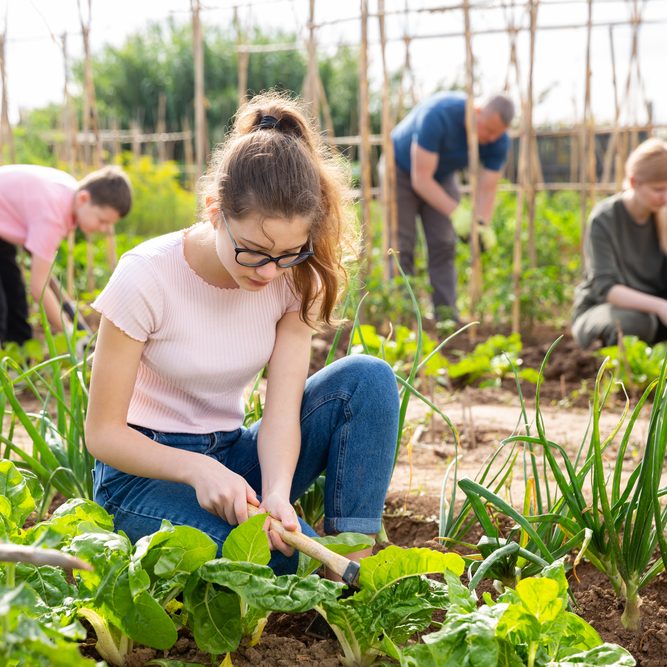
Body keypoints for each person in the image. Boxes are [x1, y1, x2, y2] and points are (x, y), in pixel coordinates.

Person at [84, 93, 400, 576]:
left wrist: (275, 489)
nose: (270, 273)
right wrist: (197, 469)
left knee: (368, 379)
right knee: (281, 560)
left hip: (235, 458)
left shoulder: (296, 278)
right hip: (142, 477)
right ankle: (332, 580)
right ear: (215, 210)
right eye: (254, 251)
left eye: (289, 253)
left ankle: (355, 560)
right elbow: (102, 434)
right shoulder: (146, 276)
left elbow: (281, 412)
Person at [388, 91, 514, 321]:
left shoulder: (498, 140)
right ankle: (401, 316)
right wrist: (456, 212)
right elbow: (421, 179)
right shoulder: (439, 116)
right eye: (489, 130)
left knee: (444, 243)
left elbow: (488, 187)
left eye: (499, 134)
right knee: (401, 245)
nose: (492, 138)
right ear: (477, 113)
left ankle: (446, 317)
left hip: (442, 174)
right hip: (400, 169)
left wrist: (481, 223)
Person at [0, 164, 132, 345]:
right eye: (102, 221)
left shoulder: (70, 192)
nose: (102, 229)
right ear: (84, 198)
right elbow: (39, 287)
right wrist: (70, 333)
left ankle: (17, 360)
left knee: (15, 300)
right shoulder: (53, 215)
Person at [572, 138, 667, 348]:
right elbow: (606, 289)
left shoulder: (664, 216)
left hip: (657, 314)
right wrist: (660, 306)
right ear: (634, 182)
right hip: (603, 310)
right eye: (658, 189)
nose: (665, 197)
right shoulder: (605, 219)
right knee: (632, 323)